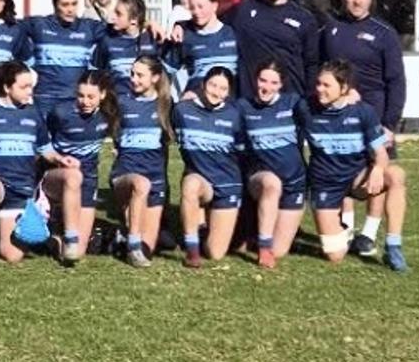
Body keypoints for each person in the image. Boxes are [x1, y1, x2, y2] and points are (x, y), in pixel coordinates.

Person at [0, 61, 79, 270]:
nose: (30, 92)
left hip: (22, 189)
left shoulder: (33, 113)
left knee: (12, 255)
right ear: (7, 87)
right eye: (24, 87)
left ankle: (49, 238)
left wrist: (60, 159)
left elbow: (45, 149)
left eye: (31, 87)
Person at [298, 60, 409, 272]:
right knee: (335, 255)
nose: (320, 89)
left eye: (327, 85)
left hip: (357, 178)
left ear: (344, 87)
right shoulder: (305, 107)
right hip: (325, 185)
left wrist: (377, 169)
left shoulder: (363, 112)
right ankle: (344, 231)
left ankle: (393, 246)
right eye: (318, 84)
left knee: (396, 175)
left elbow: (381, 154)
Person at [320, 0, 406, 245]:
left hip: (375, 113)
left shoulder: (385, 33)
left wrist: (390, 123)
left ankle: (368, 233)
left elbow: (396, 81)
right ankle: (346, 227)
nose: (356, 1)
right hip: (340, 113)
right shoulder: (331, 29)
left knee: (377, 170)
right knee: (342, 166)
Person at [174, 66, 244, 268]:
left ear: (229, 92)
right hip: (201, 180)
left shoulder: (234, 115)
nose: (216, 91)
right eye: (212, 85)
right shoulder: (182, 110)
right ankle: (192, 250)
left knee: (215, 254)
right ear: (203, 85)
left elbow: (241, 152)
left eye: (223, 88)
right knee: (190, 184)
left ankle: (203, 225)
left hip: (227, 184)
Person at [219, 0, 319, 99]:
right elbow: (210, 24)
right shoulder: (242, 11)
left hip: (290, 99)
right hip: (250, 101)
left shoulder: (303, 17)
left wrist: (310, 98)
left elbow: (312, 63)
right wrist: (181, 25)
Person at [239, 59, 306, 269]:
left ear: (281, 85)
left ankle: (260, 240)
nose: (266, 87)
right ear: (255, 79)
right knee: (271, 183)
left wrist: (347, 96)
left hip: (294, 183)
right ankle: (263, 246)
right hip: (260, 178)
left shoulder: (292, 103)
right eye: (262, 80)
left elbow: (320, 107)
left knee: (281, 251)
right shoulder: (243, 106)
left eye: (273, 83)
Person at [46, 71, 117, 264]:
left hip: (89, 180)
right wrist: (59, 159)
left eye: (91, 97)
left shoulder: (108, 114)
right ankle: (67, 232)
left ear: (102, 95)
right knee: (73, 177)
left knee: (77, 253)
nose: (85, 101)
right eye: (80, 95)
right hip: (57, 176)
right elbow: (42, 145)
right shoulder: (60, 113)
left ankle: (54, 235)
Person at [111, 56, 173, 268]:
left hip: (155, 175)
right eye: (132, 74)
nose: (133, 79)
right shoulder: (122, 101)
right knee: (140, 184)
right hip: (126, 173)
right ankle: (132, 243)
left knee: (148, 250)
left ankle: (122, 235)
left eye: (140, 75)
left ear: (155, 77)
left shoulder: (166, 105)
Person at [26, 0, 107, 120]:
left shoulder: (89, 28)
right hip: (45, 100)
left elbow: (122, 27)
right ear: (55, 5)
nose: (70, 9)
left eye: (74, 4)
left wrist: (148, 23)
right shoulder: (39, 25)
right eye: (65, 5)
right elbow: (8, 25)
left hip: (75, 101)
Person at [167, 0, 238, 97]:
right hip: (196, 106)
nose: (196, 12)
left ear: (214, 6)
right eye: (192, 7)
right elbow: (166, 71)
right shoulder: (184, 35)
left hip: (228, 107)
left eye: (201, 6)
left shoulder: (232, 33)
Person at [92, 0, 159, 97]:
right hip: (116, 104)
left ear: (133, 20)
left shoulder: (152, 39)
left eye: (119, 14)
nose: (113, 17)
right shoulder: (107, 40)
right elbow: (96, 74)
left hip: (146, 106)